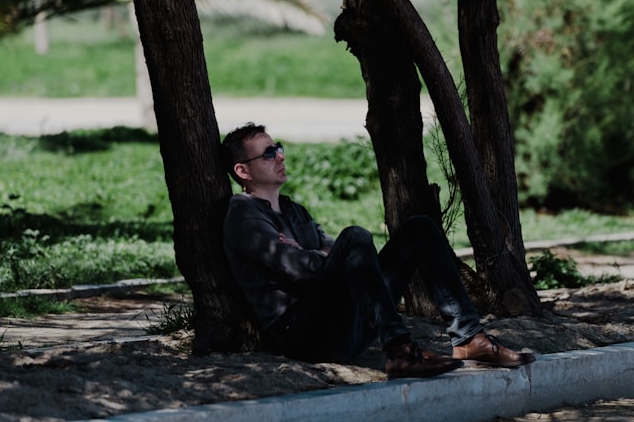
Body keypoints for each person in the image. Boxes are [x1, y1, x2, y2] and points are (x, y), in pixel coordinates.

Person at [220, 122, 535, 380]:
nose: (280, 157)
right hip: (306, 335)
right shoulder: (244, 215)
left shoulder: (293, 210)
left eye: (279, 149)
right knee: (355, 236)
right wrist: (324, 257)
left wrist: (320, 255)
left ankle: (467, 338)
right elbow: (300, 267)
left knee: (421, 228)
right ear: (243, 172)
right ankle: (400, 351)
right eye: (268, 154)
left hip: (347, 323)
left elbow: (326, 254)